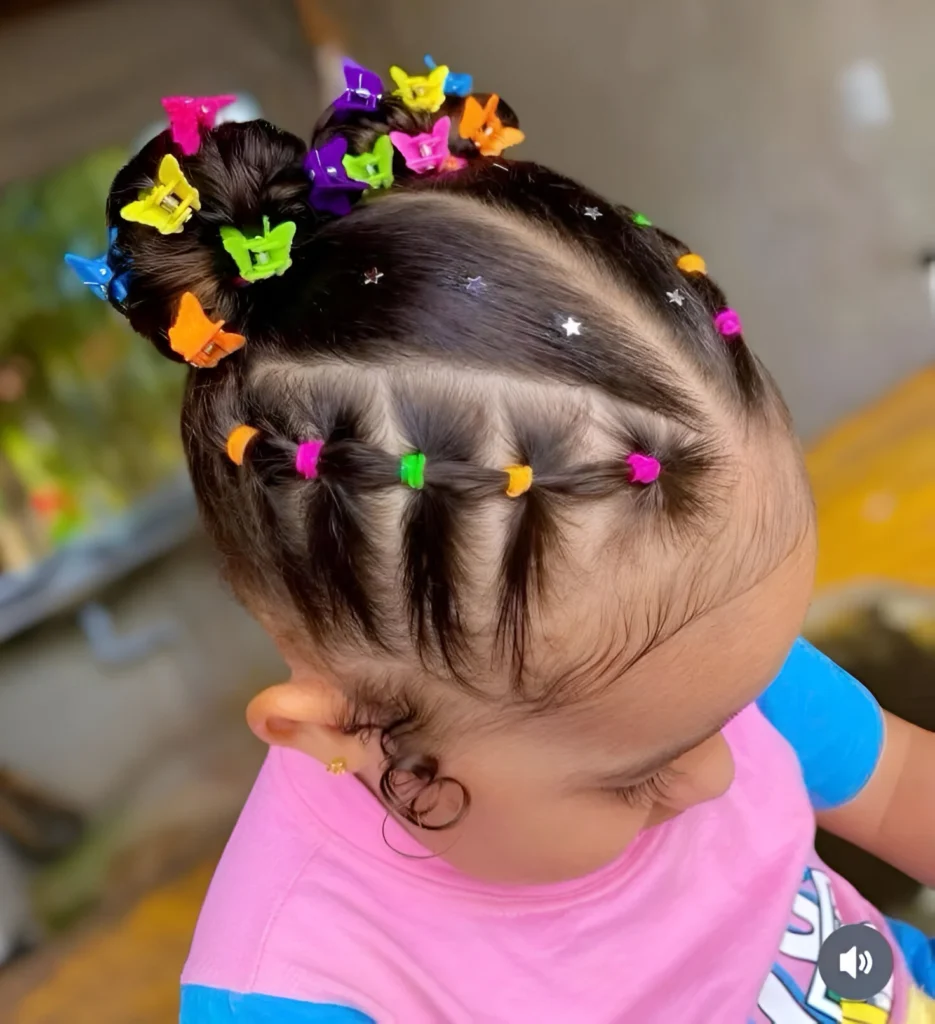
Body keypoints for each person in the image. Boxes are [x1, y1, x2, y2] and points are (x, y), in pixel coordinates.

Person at [92, 59, 935, 1023]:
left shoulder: (687, 663)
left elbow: (901, 780)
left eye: (737, 703)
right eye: (635, 777)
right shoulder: (300, 986)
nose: (722, 772)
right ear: (342, 733)